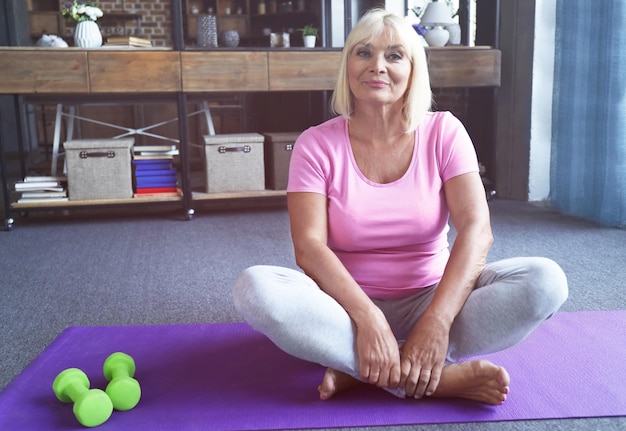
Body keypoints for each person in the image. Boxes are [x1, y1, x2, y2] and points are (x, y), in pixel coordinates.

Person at [233, 8, 568, 405]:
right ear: (348, 65)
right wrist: (369, 319)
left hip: (435, 295)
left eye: (394, 55)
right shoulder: (316, 144)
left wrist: (438, 321)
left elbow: (478, 231)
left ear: (413, 69)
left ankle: (362, 370)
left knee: (546, 281)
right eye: (363, 53)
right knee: (254, 288)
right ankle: (433, 378)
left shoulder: (444, 132)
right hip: (343, 309)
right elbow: (309, 247)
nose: (377, 66)